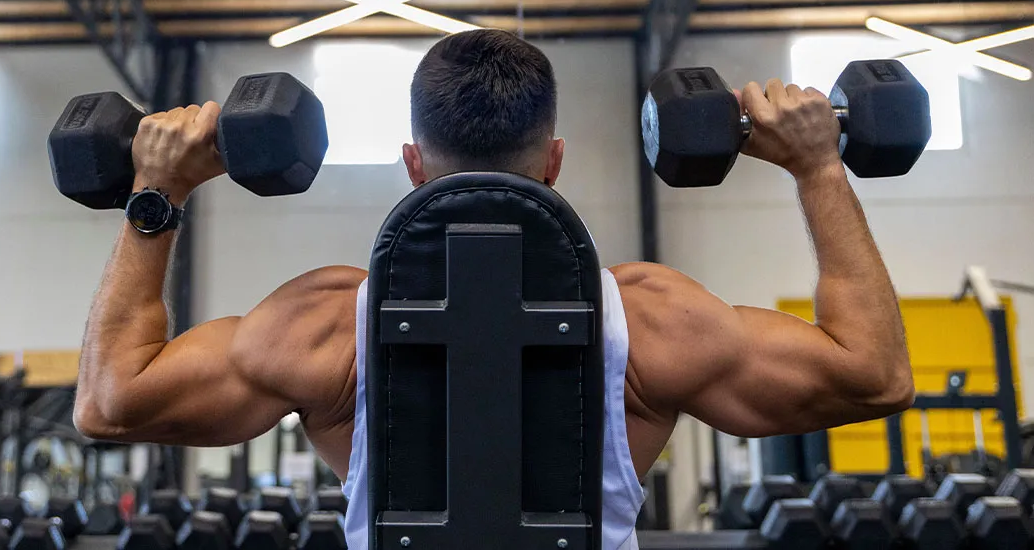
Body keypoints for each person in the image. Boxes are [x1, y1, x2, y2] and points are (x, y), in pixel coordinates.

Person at [73, 29, 914, 549]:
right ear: (552, 162)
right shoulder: (661, 318)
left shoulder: (318, 324)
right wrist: (817, 165)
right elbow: (875, 375)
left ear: (412, 166)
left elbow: (110, 403)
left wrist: (160, 191)